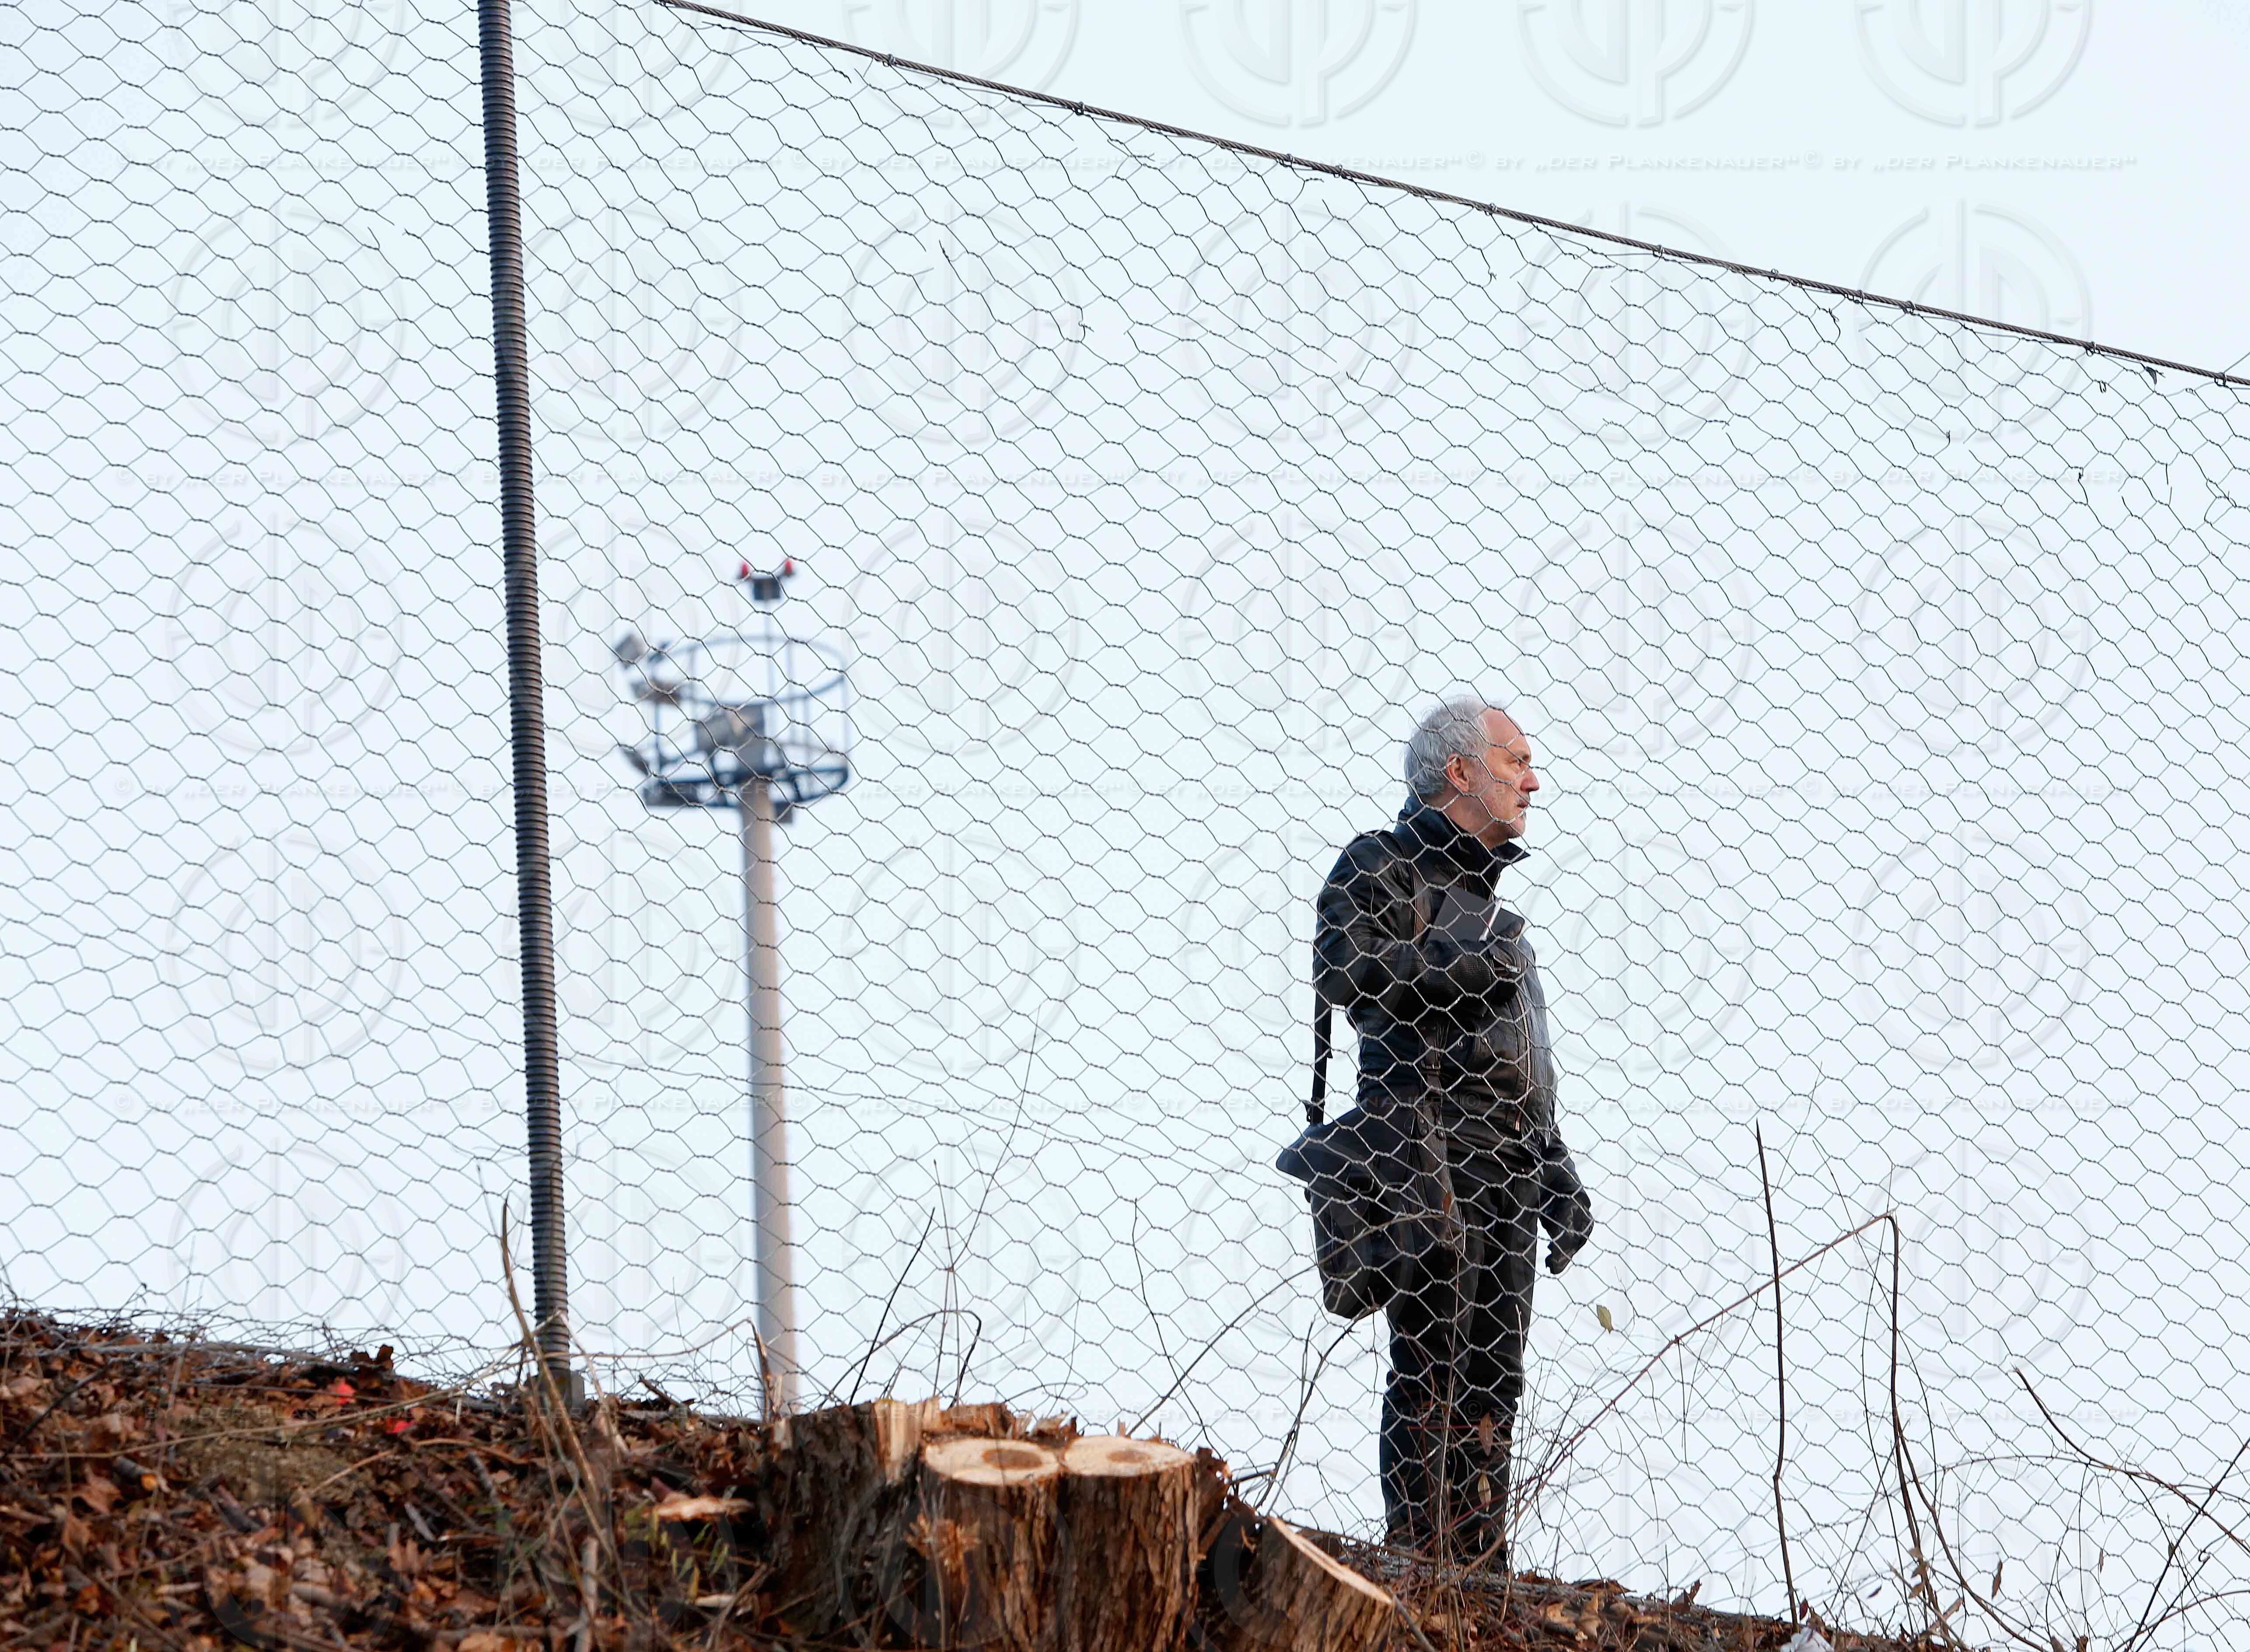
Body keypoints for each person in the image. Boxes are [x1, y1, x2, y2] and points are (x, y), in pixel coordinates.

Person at [1310, 697, 1594, 1562]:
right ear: (1459, 772)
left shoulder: (1499, 916)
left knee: (1496, 1378)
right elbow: (1345, 973)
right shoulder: (1380, 865)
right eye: (1515, 761)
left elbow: (1524, 1068)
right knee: (1431, 1365)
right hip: (1423, 1152)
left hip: (1507, 1165)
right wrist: (1463, 966)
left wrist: (1556, 1169)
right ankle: (1424, 1562)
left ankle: (1480, 1565)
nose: (1533, 781)